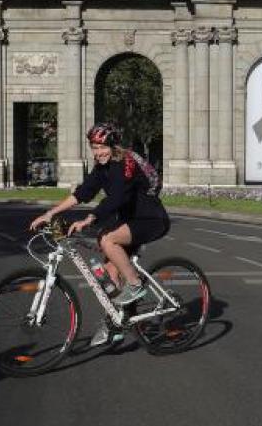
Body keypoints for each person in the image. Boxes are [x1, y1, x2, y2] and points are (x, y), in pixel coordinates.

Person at [30, 123, 171, 346]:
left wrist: (89, 218)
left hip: (150, 219)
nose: (98, 153)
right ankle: (116, 324)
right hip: (128, 221)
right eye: (94, 148)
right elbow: (82, 193)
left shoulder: (125, 163)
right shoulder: (102, 167)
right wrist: (51, 213)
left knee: (108, 239)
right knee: (108, 277)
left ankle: (135, 285)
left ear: (113, 145)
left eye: (102, 147)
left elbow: (117, 199)